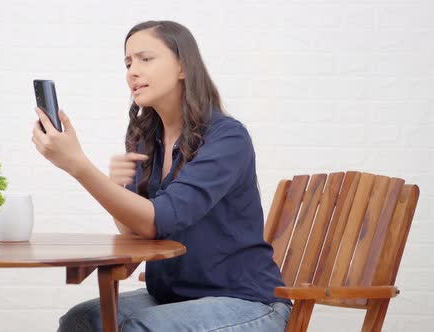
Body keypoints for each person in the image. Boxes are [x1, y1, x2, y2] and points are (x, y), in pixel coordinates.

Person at [31, 20, 291, 332]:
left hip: (248, 302)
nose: (132, 71)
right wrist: (118, 188)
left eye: (145, 59)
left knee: (136, 327)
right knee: (80, 321)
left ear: (183, 66)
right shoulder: (147, 141)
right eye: (128, 62)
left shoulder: (227, 139)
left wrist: (79, 166)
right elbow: (136, 231)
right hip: (173, 298)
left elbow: (158, 220)